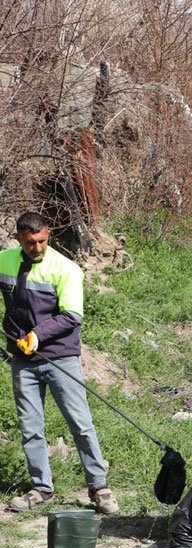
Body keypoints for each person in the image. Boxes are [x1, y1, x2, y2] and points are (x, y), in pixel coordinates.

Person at [1, 212, 118, 514]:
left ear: (48, 235)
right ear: (18, 239)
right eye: (30, 243)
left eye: (41, 241)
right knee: (30, 427)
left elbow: (72, 316)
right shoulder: (5, 260)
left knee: (80, 423)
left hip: (60, 357)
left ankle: (100, 486)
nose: (36, 247)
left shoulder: (66, 269)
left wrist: (36, 336)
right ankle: (41, 488)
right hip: (22, 358)